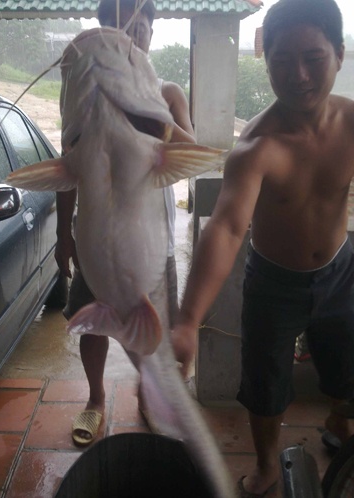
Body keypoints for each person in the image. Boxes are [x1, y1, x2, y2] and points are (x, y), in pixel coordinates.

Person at [172, 0, 354, 495]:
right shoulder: (257, 147)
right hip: (274, 282)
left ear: (339, 54)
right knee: (264, 383)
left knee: (347, 368)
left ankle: (340, 421)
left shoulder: (352, 124)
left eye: (313, 58)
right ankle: (268, 462)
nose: (298, 75)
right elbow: (228, 228)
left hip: (341, 271)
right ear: (265, 61)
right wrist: (188, 320)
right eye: (282, 60)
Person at [55, 0, 196, 447]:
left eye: (140, 26)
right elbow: (68, 163)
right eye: (116, 26)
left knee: (153, 331)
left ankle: (148, 395)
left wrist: (152, 118)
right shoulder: (85, 91)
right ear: (101, 31)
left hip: (151, 246)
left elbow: (192, 153)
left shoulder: (167, 92)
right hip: (95, 240)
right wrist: (63, 234)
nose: (130, 34)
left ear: (152, 32)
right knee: (92, 325)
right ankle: (96, 399)